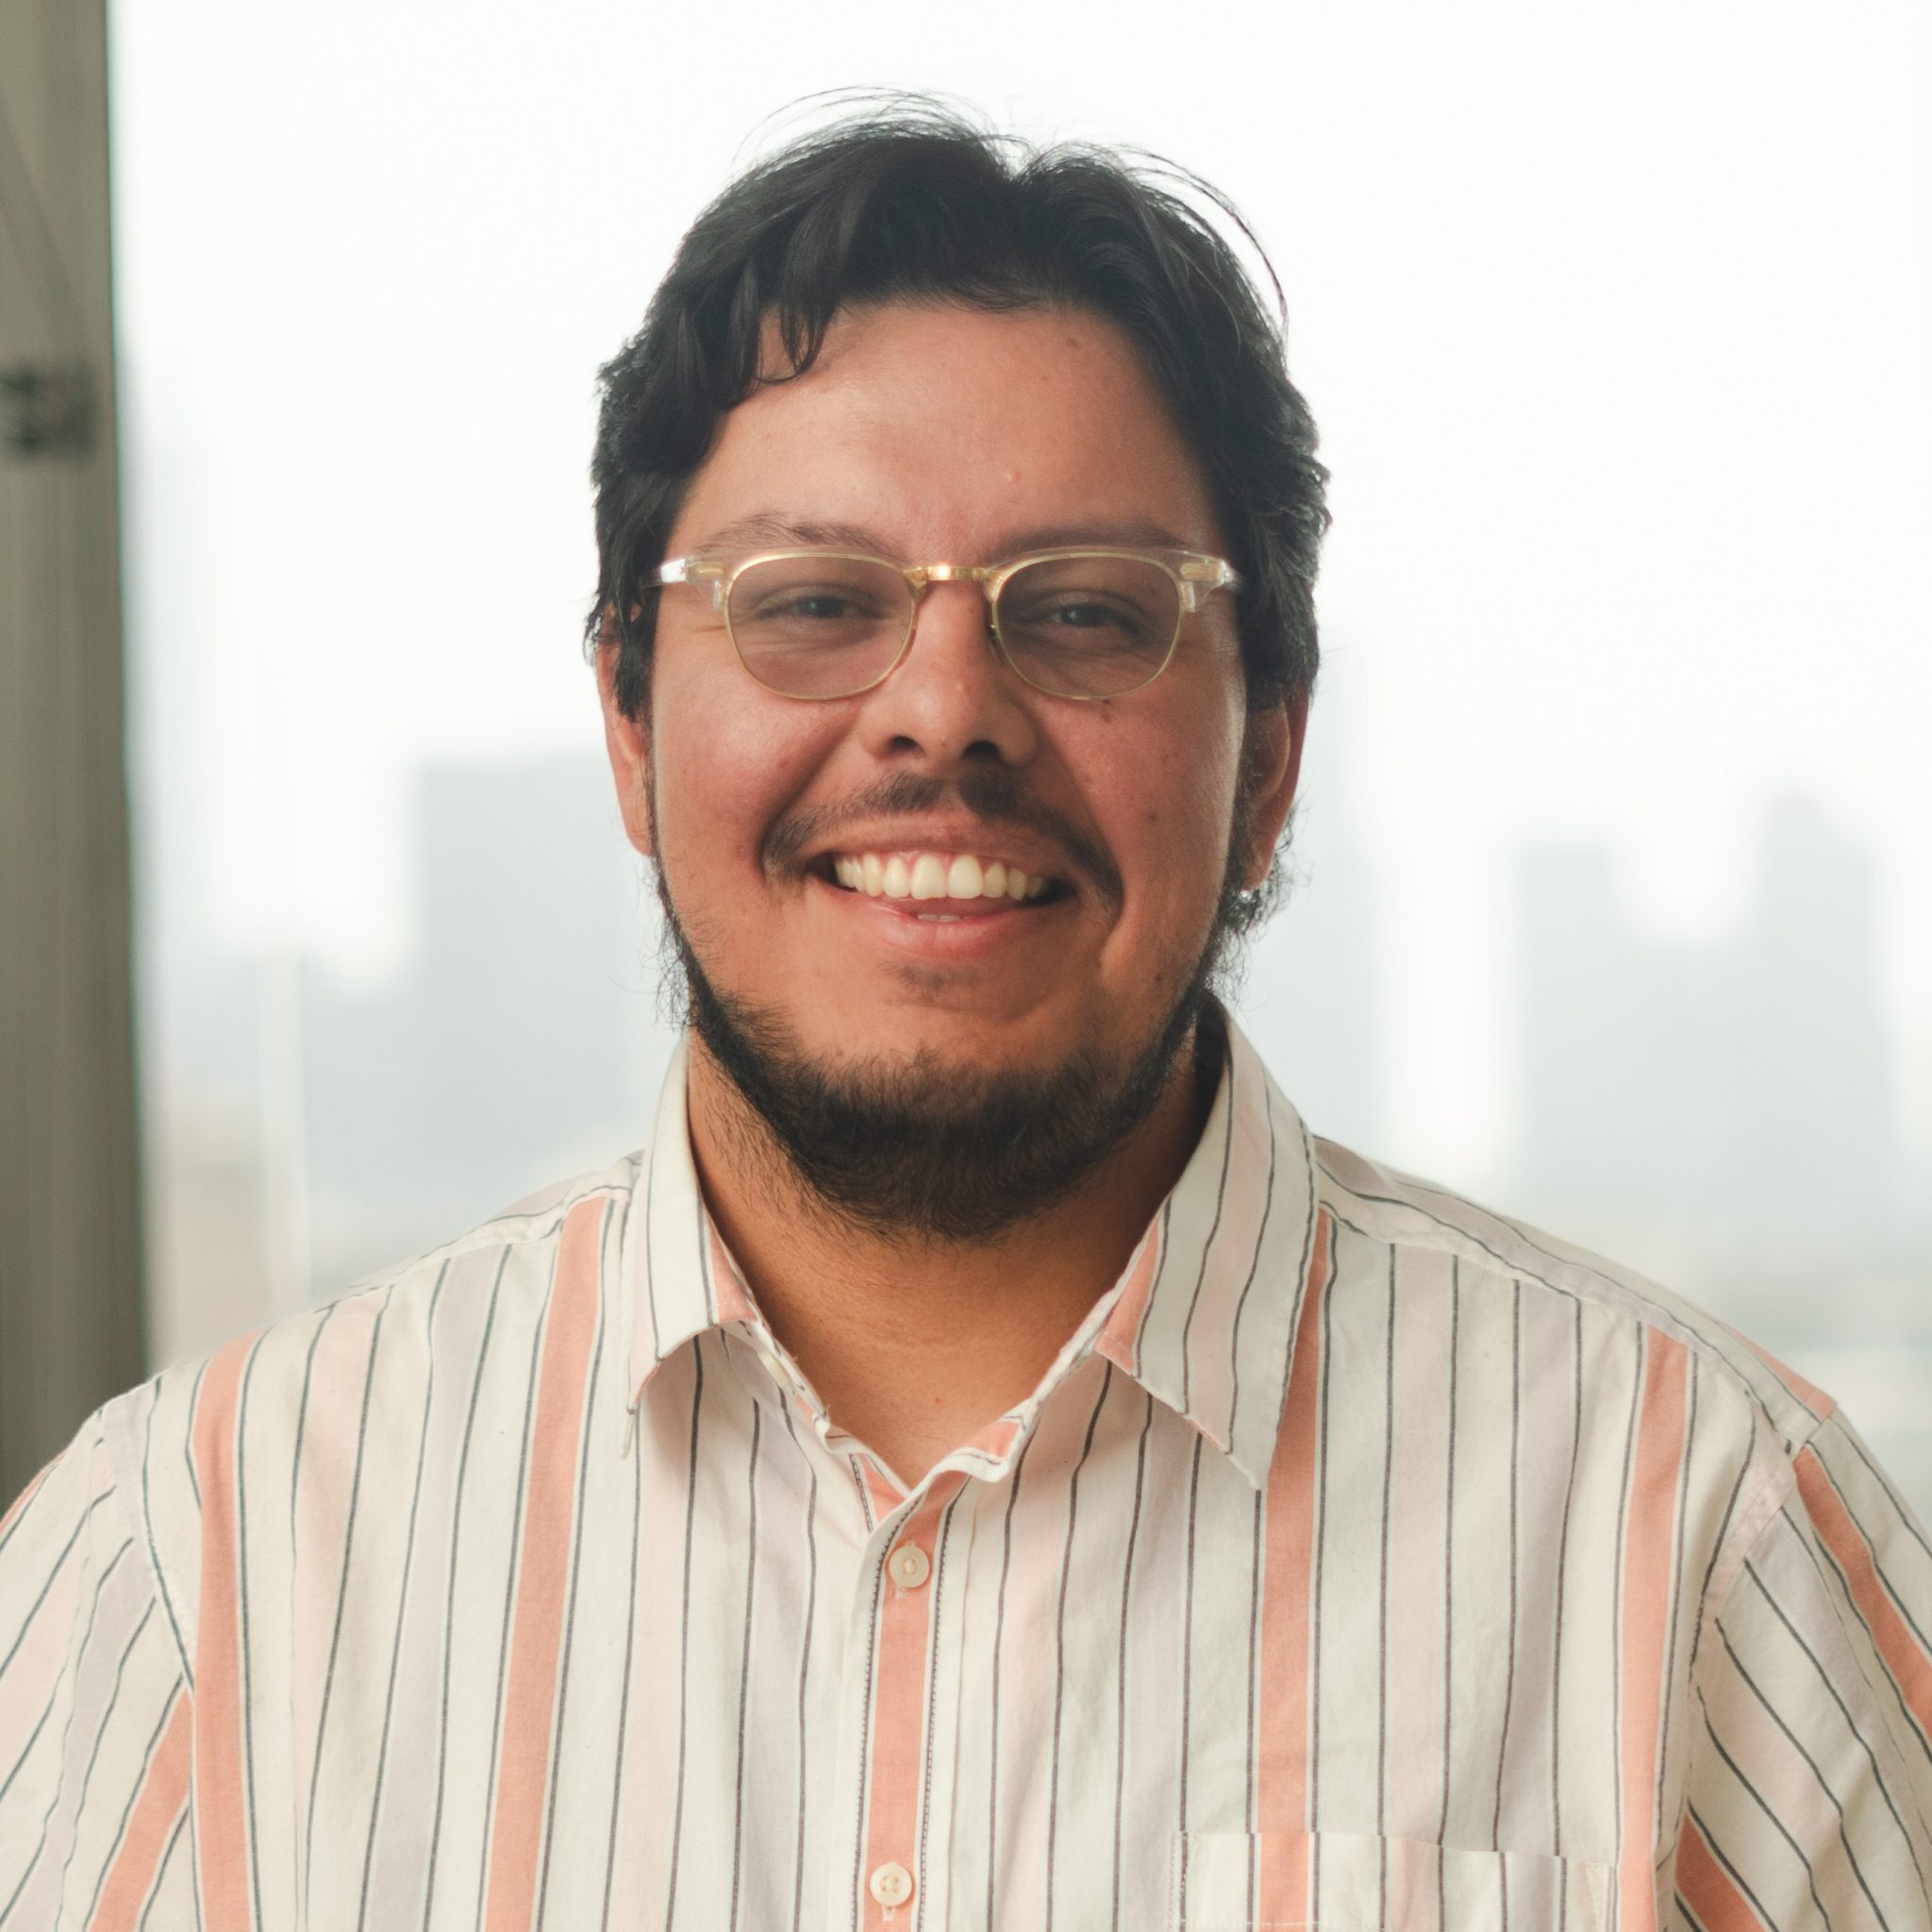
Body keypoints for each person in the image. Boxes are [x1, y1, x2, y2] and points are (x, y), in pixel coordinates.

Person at [3, 104, 1928, 1932]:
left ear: (1269, 757)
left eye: (1084, 610)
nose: (943, 711)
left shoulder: (1707, 1540)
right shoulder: (197, 1559)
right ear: (627, 723)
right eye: (811, 602)